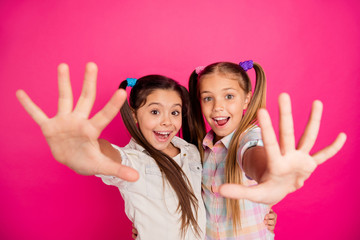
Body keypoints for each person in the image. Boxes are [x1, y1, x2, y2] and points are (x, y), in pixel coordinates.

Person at [16, 62, 206, 240]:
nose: (167, 121)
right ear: (134, 116)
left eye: (174, 112)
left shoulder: (191, 151)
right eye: (155, 112)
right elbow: (113, 156)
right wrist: (88, 147)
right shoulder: (134, 160)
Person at [187, 60, 346, 239]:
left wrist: (267, 173)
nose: (217, 107)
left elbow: (253, 154)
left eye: (229, 96)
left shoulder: (249, 138)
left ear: (247, 98)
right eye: (208, 98)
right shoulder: (204, 148)